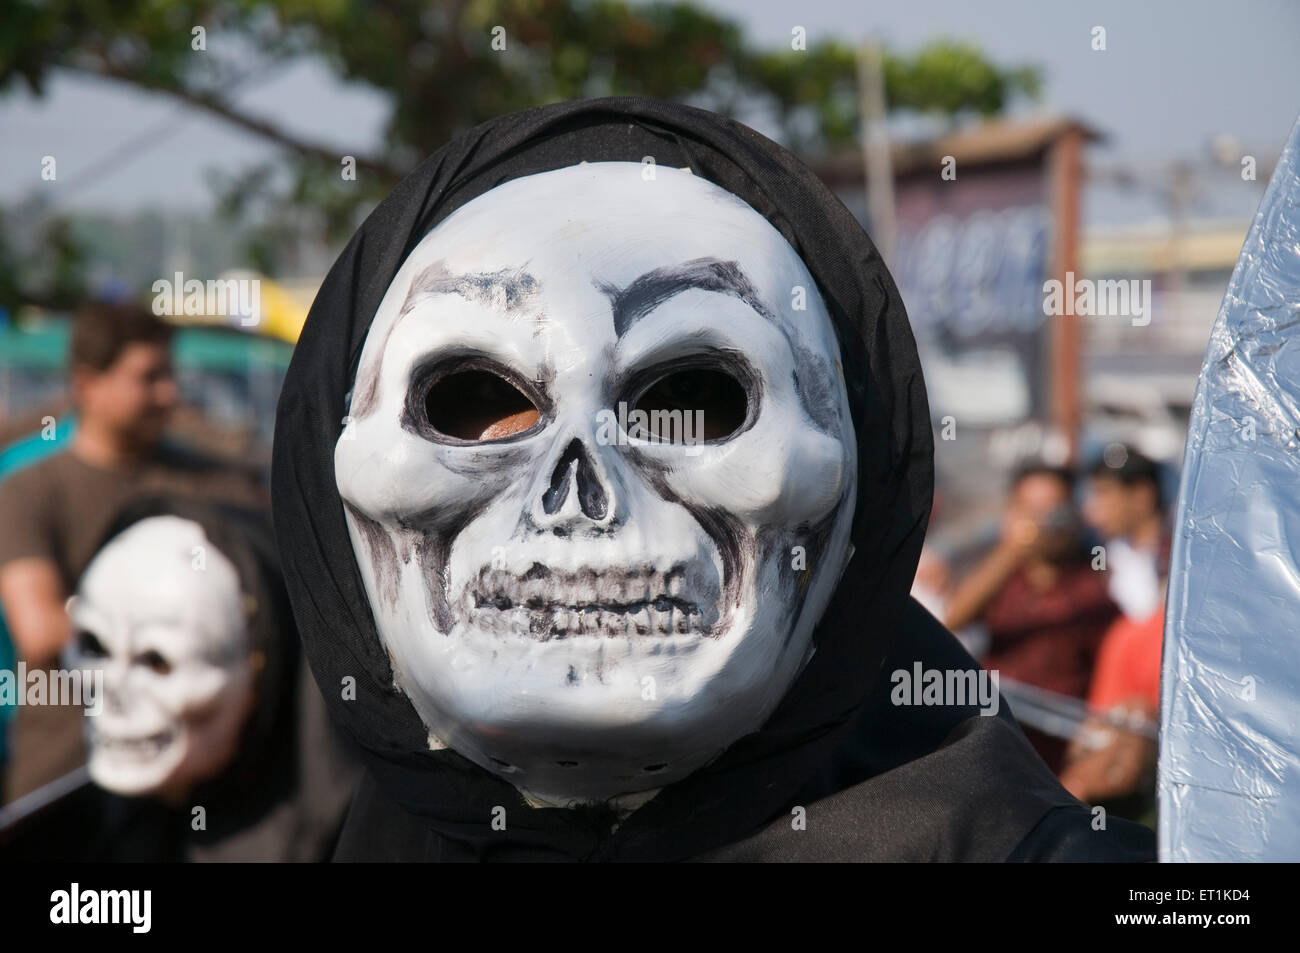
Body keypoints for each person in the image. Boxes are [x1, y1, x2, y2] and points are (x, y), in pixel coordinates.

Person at [271, 98, 1154, 861]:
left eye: (692, 398)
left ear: (842, 475)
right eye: (473, 398)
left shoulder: (1000, 841)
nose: (582, 491)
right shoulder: (405, 829)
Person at [0, 301, 266, 803]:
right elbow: (39, 633)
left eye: (170, 375)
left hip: (201, 774)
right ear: (87, 385)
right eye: (148, 378)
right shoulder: (29, 491)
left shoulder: (219, 486)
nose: (169, 394)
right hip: (66, 779)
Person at [0, 498, 359, 860]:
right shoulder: (73, 833)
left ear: (258, 671)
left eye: (156, 661)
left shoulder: (351, 836)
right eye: (95, 648)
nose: (115, 689)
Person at [943, 463, 1120, 774]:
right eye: (1029, 510)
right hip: (992, 737)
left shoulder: (1094, 587)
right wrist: (1012, 551)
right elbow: (950, 620)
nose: (1041, 524)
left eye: (1052, 511)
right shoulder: (998, 576)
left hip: (1054, 758)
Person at [1083, 445, 1170, 621]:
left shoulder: (1180, 554)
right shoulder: (1098, 553)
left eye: (1104, 493)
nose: (1092, 508)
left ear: (1141, 495)